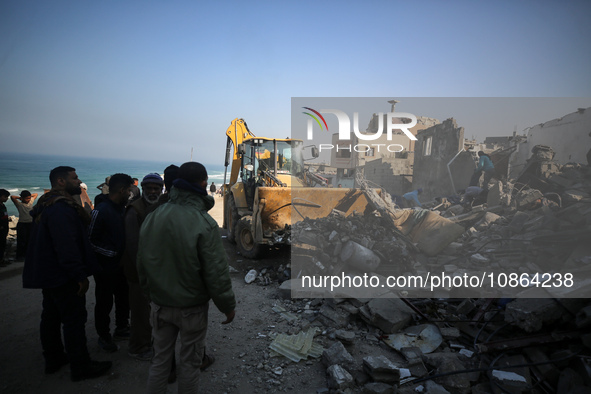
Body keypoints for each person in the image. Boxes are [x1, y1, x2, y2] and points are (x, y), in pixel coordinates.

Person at [137, 162, 236, 393]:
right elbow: (216, 271)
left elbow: (141, 261)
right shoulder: (204, 222)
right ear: (203, 183)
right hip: (191, 308)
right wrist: (227, 306)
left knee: (160, 361)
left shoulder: (154, 216)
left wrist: (149, 293)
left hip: (160, 304)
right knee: (190, 364)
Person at [22, 166, 111, 381]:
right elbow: (66, 245)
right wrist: (79, 275)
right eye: (75, 178)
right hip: (62, 274)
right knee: (74, 320)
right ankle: (81, 366)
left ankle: (54, 359)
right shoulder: (61, 209)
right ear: (61, 181)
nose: (79, 182)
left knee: (50, 316)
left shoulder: (46, 202)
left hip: (49, 273)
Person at [89, 173, 133, 352]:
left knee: (124, 300)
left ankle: (122, 328)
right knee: (104, 303)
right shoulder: (100, 211)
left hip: (122, 268)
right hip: (105, 269)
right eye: (129, 190)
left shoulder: (123, 209)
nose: (130, 194)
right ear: (122, 190)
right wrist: (115, 254)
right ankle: (104, 336)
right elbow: (90, 240)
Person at [121, 173, 164, 361]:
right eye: (149, 188)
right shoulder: (134, 210)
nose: (153, 191)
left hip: (152, 270)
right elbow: (133, 246)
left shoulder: (157, 207)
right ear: (143, 189)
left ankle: (147, 342)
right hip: (138, 271)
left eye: (156, 188)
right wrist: (144, 273)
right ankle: (138, 348)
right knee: (140, 312)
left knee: (149, 311)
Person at [11, 190, 38, 260]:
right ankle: (19, 256)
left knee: (29, 240)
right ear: (22, 198)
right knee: (21, 240)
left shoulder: (30, 203)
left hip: (30, 223)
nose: (28, 200)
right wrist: (20, 198)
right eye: (26, 198)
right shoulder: (19, 204)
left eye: (29, 198)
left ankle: (27, 255)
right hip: (22, 224)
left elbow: (36, 194)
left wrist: (29, 196)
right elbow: (12, 197)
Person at [0, 189, 10, 267]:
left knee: (3, 244)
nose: (7, 198)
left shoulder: (2, 205)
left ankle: (2, 259)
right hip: (1, 229)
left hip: (4, 228)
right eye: (5, 197)